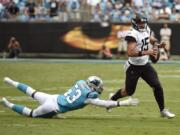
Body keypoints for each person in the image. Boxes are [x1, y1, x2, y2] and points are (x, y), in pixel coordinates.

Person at [107, 13, 175, 118]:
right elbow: (130, 52)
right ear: (135, 23)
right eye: (140, 23)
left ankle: (162, 110)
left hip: (145, 65)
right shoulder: (133, 34)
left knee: (157, 86)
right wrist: (147, 52)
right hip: (133, 66)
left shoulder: (146, 29)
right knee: (129, 91)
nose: (142, 25)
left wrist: (157, 45)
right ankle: (112, 99)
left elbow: (150, 39)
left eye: (144, 23)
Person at [0, 76, 139, 118]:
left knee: (33, 92)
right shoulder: (90, 95)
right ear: (93, 86)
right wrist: (124, 103)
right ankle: (8, 104)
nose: (99, 89)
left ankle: (11, 81)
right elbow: (104, 104)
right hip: (54, 106)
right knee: (31, 114)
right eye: (98, 86)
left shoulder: (80, 82)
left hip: (53, 97)